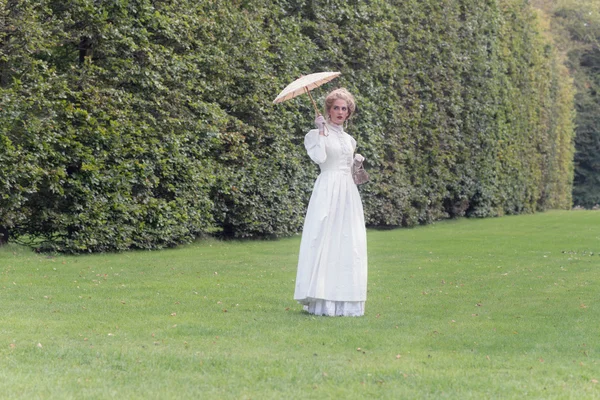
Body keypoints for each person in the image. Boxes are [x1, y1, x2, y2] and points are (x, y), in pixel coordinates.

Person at [293, 88, 368, 317]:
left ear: (348, 113)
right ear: (328, 110)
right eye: (335, 107)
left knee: (348, 241)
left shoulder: (350, 139)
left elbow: (353, 173)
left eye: (344, 109)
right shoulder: (317, 134)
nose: (340, 112)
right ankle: (321, 298)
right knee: (324, 237)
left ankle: (346, 300)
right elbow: (320, 158)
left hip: (348, 193)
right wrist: (320, 131)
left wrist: (356, 164)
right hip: (327, 189)